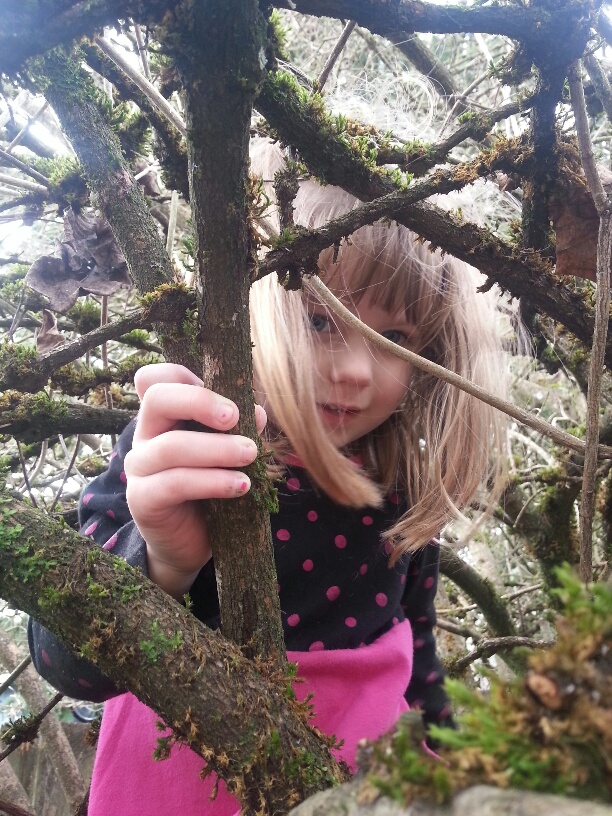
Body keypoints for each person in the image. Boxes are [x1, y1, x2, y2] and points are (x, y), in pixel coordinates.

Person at [29, 141, 508, 815]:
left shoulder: (403, 483)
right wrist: (161, 561)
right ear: (247, 305)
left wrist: (454, 775)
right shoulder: (178, 440)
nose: (356, 371)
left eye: (395, 338)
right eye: (319, 319)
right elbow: (65, 663)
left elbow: (420, 651)